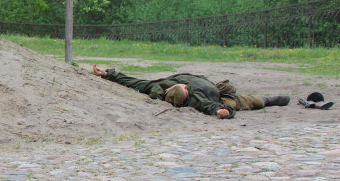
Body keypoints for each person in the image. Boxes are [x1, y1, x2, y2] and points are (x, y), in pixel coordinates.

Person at [91, 64, 289, 119]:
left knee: (230, 91)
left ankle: (268, 99)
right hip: (218, 96)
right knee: (241, 101)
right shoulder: (196, 100)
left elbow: (135, 81)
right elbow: (212, 106)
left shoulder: (164, 84)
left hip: (212, 85)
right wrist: (223, 112)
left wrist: (109, 73)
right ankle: (267, 100)